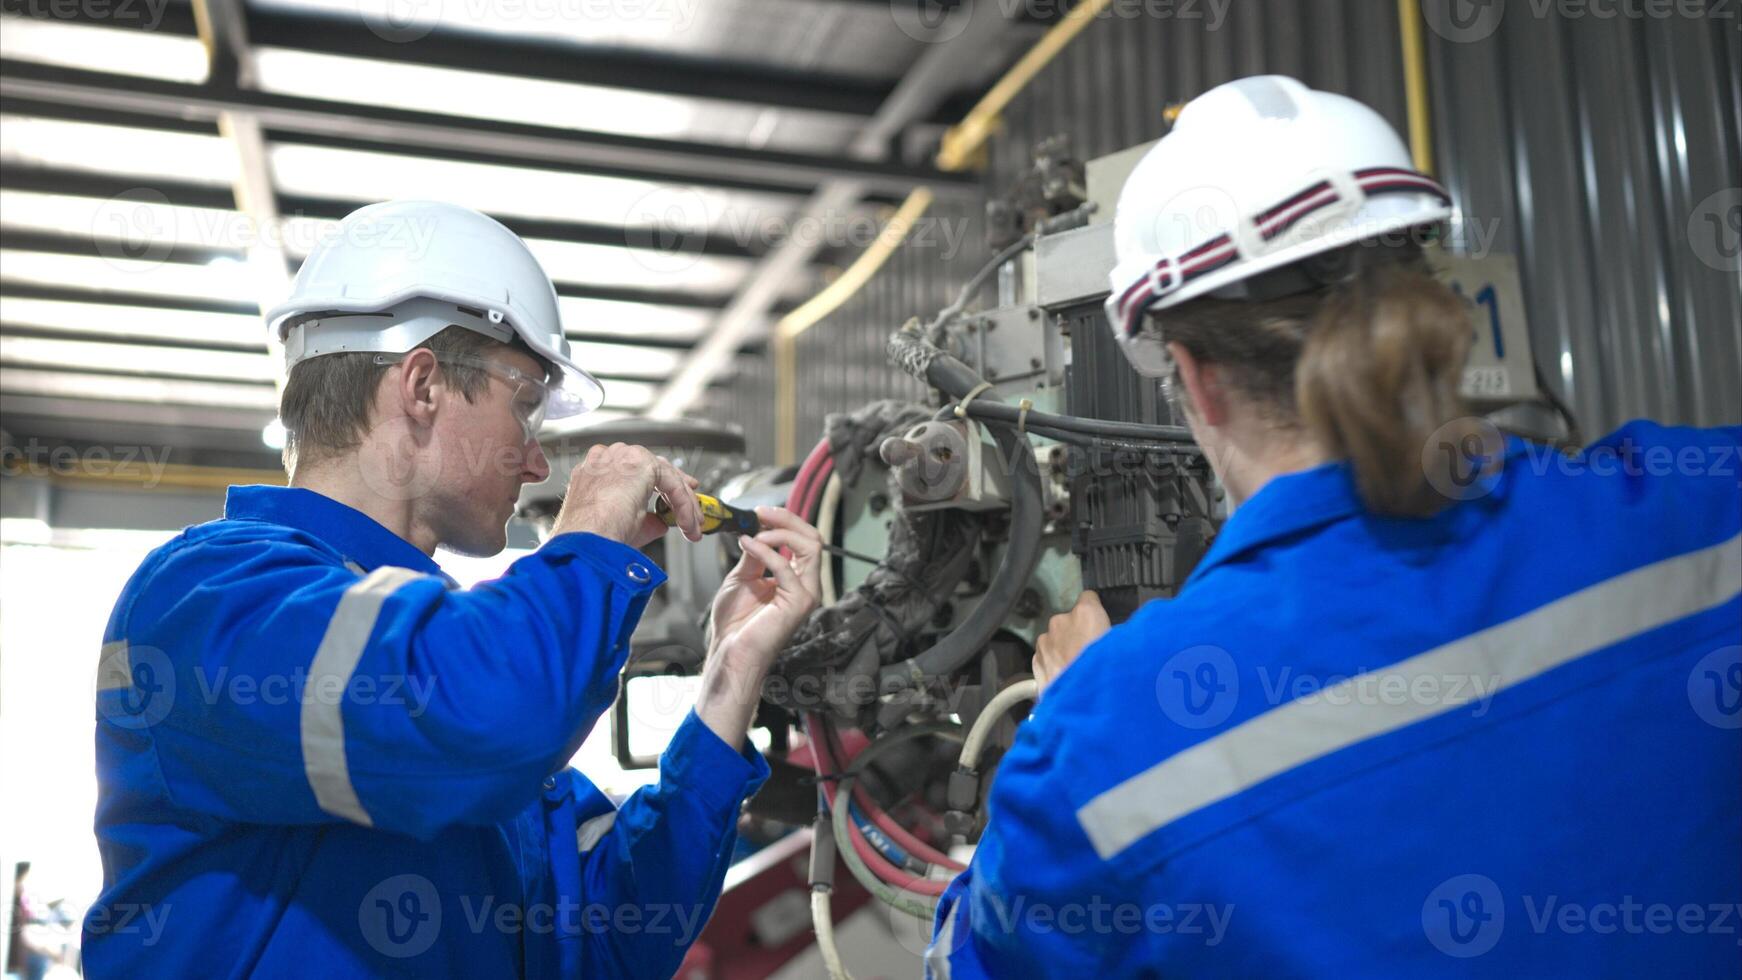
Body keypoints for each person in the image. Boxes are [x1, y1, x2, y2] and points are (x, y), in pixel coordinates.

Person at [928, 75, 1740, 976]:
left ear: (1190, 377)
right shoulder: (1696, 513)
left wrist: (1077, 709)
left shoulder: (1106, 740)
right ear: (1433, 300)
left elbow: (974, 958)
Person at [84, 200, 825, 978]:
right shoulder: (209, 597)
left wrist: (729, 678)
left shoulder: (458, 666)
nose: (538, 464)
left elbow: (612, 936)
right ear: (423, 386)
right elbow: (473, 710)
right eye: (525, 409)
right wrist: (588, 540)